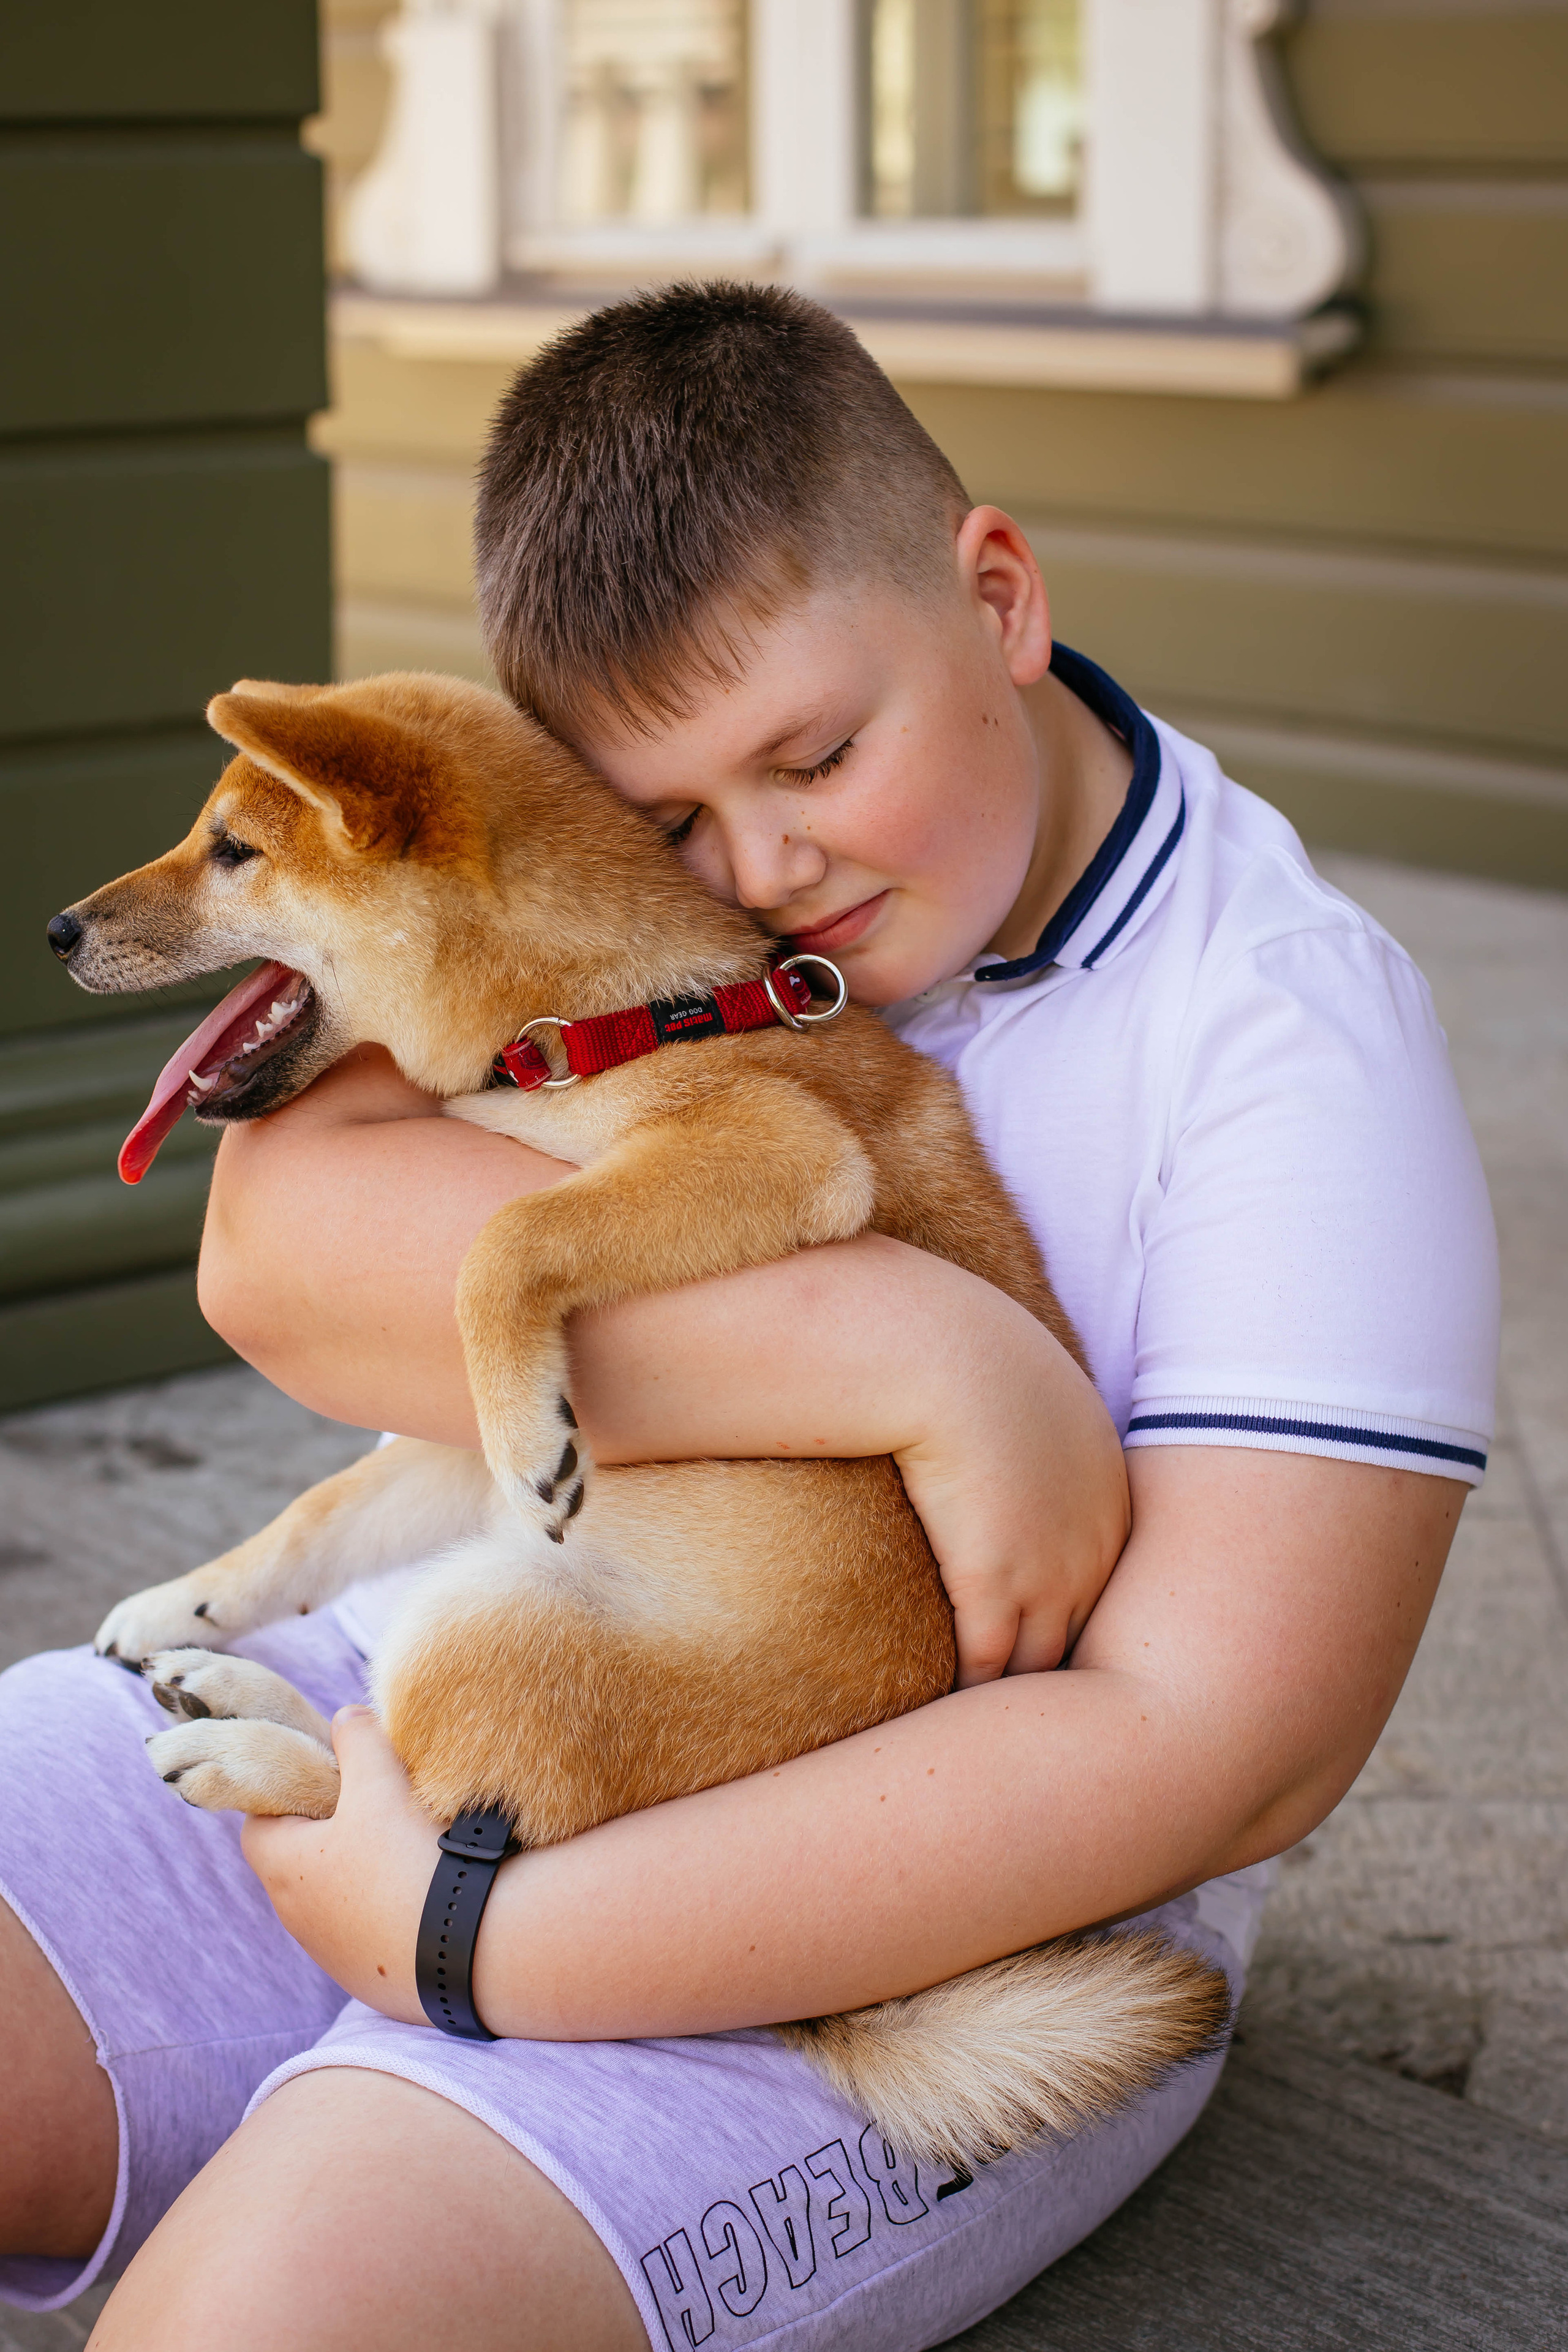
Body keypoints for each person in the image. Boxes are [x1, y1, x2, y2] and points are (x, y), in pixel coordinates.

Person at [1, 284, 1497, 2351]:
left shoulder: (1288, 1043)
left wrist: (478, 1944)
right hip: (429, 1654)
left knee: (262, 2326)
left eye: (817, 754)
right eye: (674, 820)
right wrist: (922, 1358)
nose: (767, 867)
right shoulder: (593, 876)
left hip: (911, 1923)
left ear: (998, 595)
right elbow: (272, 1257)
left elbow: (1219, 1754)